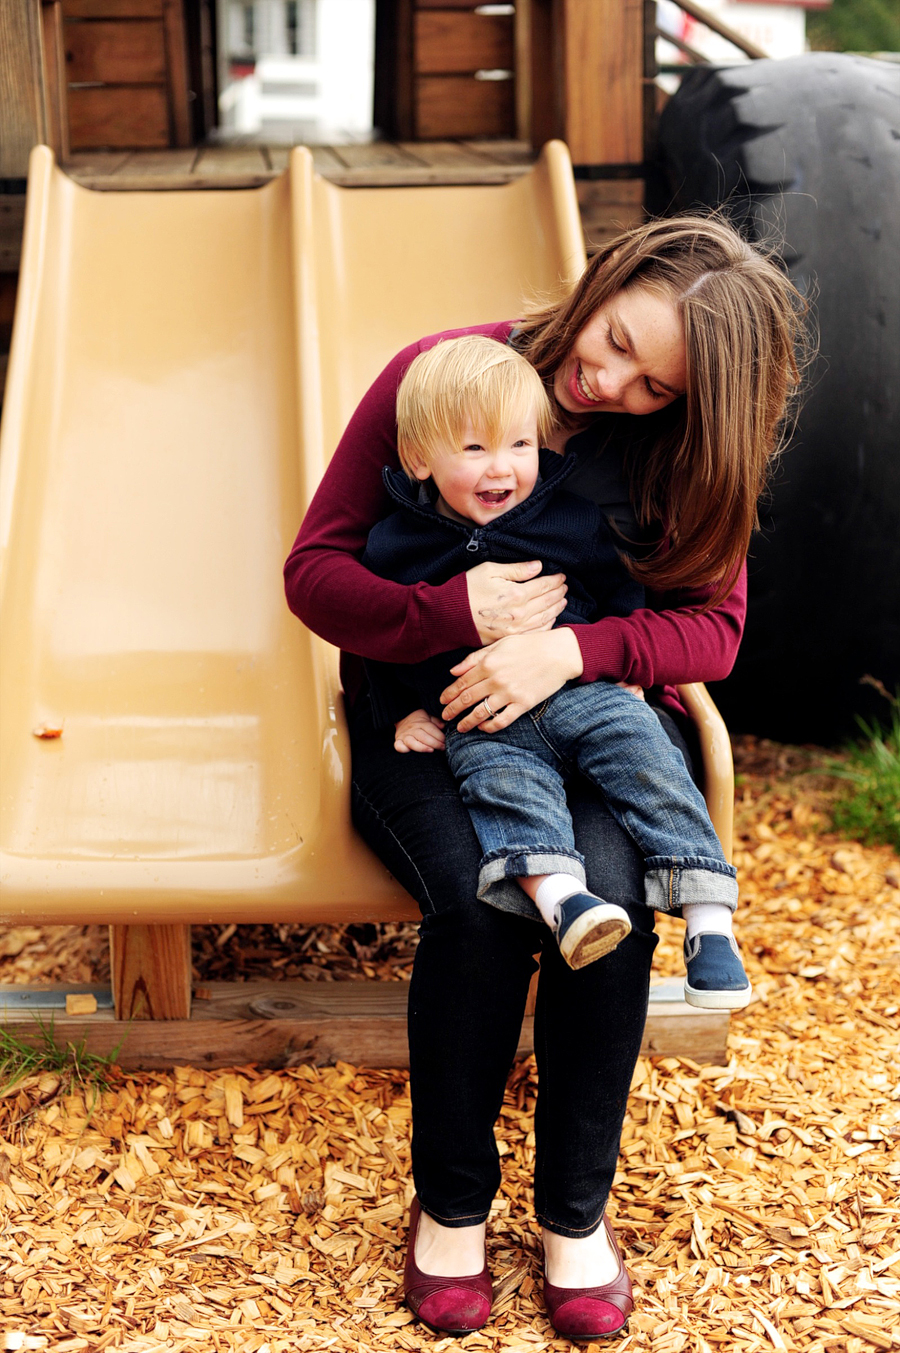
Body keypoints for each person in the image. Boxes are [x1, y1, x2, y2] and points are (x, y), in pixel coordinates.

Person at [284, 215, 806, 1340]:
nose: (609, 380)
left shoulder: (679, 453)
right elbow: (314, 573)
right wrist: (448, 613)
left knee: (611, 902)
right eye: (616, 338)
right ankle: (453, 1210)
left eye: (654, 385)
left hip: (589, 719)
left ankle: (575, 1218)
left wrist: (569, 651)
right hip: (432, 716)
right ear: (609, 276)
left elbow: (712, 633)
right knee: (485, 903)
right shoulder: (444, 379)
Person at [362, 334, 749, 1005]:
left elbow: (619, 589)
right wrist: (399, 710)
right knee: (502, 793)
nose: (501, 468)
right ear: (418, 458)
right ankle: (564, 899)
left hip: (584, 693)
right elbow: (375, 634)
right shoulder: (394, 544)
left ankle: (709, 916)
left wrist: (624, 663)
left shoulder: (569, 520)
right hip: (481, 717)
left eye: (518, 446)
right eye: (474, 448)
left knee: (647, 761)